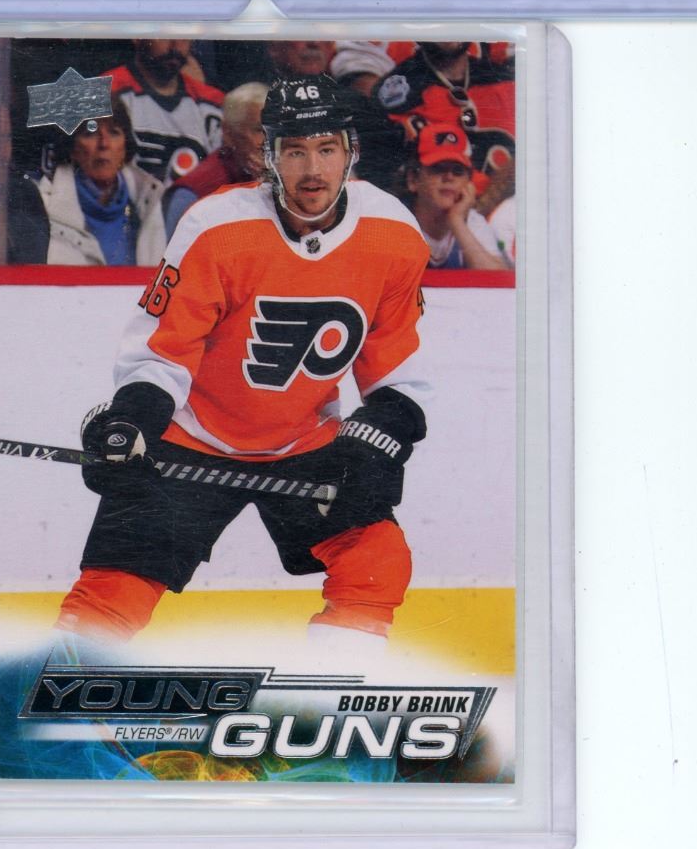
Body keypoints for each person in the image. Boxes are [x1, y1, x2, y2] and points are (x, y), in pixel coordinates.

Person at [57, 77, 431, 652]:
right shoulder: (218, 227)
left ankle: (331, 690)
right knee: (116, 587)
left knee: (377, 562)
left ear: (350, 151)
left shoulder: (394, 233)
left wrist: (381, 433)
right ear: (268, 156)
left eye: (327, 149)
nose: (313, 170)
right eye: (295, 150)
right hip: (190, 436)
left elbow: (395, 369)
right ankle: (54, 698)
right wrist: (132, 418)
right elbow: (164, 350)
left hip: (304, 441)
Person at [13, 105, 169, 268]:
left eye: (114, 133)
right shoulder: (44, 202)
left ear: (124, 147)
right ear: (73, 148)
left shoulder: (150, 198)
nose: (104, 144)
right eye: (90, 133)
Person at [107, 39, 224, 186]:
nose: (175, 45)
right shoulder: (103, 92)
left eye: (183, 34)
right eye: (165, 34)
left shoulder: (215, 103)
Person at [399, 125, 512, 272]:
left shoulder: (471, 221)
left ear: (468, 183)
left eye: (458, 171)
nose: (449, 177)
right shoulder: (397, 219)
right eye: (438, 168)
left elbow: (497, 279)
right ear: (413, 180)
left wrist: (456, 221)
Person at [161, 80, 267, 236]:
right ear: (228, 133)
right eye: (259, 130)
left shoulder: (287, 180)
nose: (271, 141)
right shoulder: (192, 195)